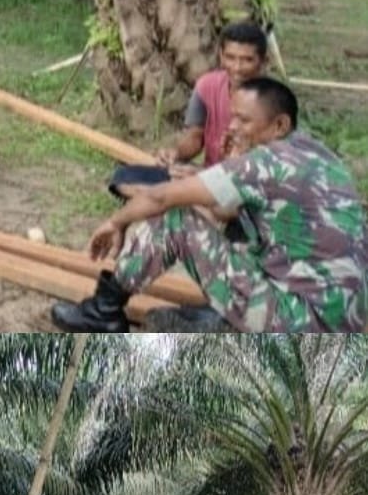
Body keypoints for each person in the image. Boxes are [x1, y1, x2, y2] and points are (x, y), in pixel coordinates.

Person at [51, 78, 368, 333]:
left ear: (279, 125)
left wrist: (116, 222)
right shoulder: (320, 156)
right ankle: (226, 313)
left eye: (244, 120)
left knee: (176, 219)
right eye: (233, 116)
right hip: (344, 317)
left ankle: (102, 311)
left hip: (301, 324)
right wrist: (219, 170)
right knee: (236, 236)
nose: (233, 126)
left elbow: (160, 197)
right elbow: (225, 213)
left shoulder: (266, 163)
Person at [108, 22, 268, 200]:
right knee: (123, 177)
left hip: (243, 182)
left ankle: (170, 199)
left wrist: (217, 176)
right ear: (221, 56)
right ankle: (177, 198)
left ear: (262, 61)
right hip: (205, 176)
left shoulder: (273, 101)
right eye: (230, 58)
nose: (237, 67)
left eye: (247, 60)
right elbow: (195, 136)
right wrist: (175, 153)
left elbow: (271, 164)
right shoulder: (207, 85)